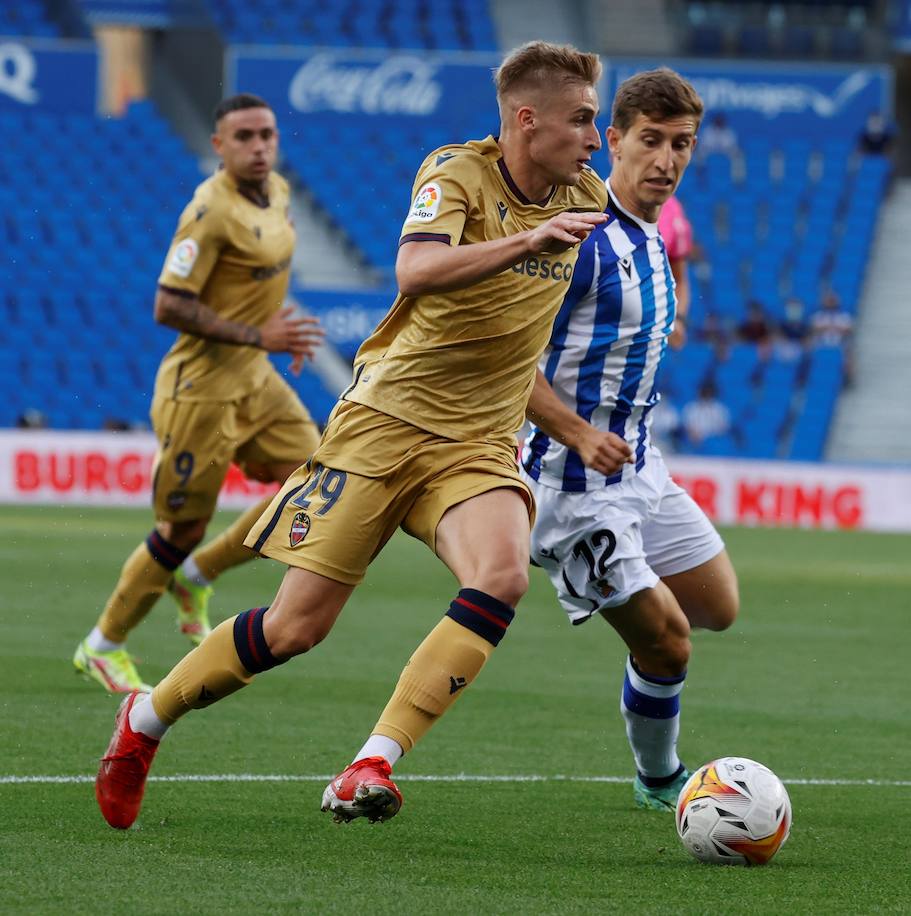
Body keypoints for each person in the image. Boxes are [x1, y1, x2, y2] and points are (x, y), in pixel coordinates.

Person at [94, 41, 610, 830]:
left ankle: (372, 760)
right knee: (295, 627)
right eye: (581, 120)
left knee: (501, 576)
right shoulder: (456, 174)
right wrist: (527, 241)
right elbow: (415, 270)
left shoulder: (587, 189)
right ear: (525, 120)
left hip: (475, 443)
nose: (595, 138)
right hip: (384, 423)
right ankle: (144, 724)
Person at [522, 68, 740, 812]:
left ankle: (642, 640)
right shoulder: (578, 238)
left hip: (641, 470)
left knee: (717, 608)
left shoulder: (653, 236)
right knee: (671, 640)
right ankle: (660, 779)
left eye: (682, 144)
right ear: (612, 140)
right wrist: (579, 431)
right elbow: (501, 361)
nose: (667, 160)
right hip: (569, 488)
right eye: (651, 141)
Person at [73, 94, 324, 695]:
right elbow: (169, 304)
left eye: (266, 134)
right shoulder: (209, 212)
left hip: (255, 377)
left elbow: (251, 283)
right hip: (200, 390)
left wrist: (273, 330)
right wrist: (256, 332)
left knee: (316, 476)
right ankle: (102, 645)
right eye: (244, 137)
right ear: (219, 146)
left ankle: (199, 574)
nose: (260, 146)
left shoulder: (280, 193)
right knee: (179, 527)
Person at [657, 194, 694, 348]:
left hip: (649, 337)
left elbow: (679, 279)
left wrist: (678, 319)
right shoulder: (601, 202)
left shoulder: (671, 209)